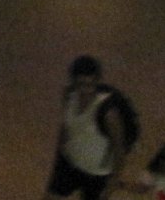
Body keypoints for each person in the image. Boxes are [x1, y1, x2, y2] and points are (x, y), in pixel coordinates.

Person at [44, 55, 130, 200]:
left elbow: (118, 150)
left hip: (96, 175)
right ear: (73, 82)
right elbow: (66, 127)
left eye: (90, 85)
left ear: (97, 81)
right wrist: (59, 157)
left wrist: (111, 183)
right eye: (80, 84)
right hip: (69, 163)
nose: (85, 91)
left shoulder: (108, 112)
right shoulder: (69, 95)